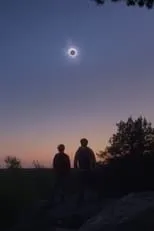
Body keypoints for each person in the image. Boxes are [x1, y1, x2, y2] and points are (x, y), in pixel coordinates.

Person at [74, 138, 96, 204]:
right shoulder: (79, 150)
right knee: (81, 185)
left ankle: (90, 198)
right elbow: (75, 159)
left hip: (88, 170)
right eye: (83, 142)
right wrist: (76, 168)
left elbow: (93, 159)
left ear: (87, 143)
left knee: (89, 184)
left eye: (85, 142)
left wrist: (93, 167)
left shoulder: (89, 150)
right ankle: (81, 198)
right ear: (81, 143)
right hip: (81, 170)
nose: (84, 143)